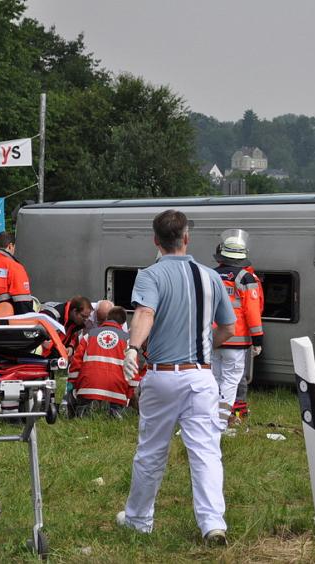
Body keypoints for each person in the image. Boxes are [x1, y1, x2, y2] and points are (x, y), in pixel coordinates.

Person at [117, 210, 235, 546]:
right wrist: (204, 346)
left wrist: (133, 349)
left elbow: (144, 313)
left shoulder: (150, 275)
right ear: (186, 238)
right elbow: (228, 327)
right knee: (206, 452)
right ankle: (213, 524)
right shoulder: (212, 277)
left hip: (162, 375)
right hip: (201, 377)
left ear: (156, 240)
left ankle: (139, 521)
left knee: (152, 451)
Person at [212, 229, 264, 425]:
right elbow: (252, 312)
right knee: (231, 380)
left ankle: (211, 414)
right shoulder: (246, 278)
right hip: (237, 340)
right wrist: (257, 338)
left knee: (215, 378)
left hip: (214, 338)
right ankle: (223, 420)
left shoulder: (211, 275)